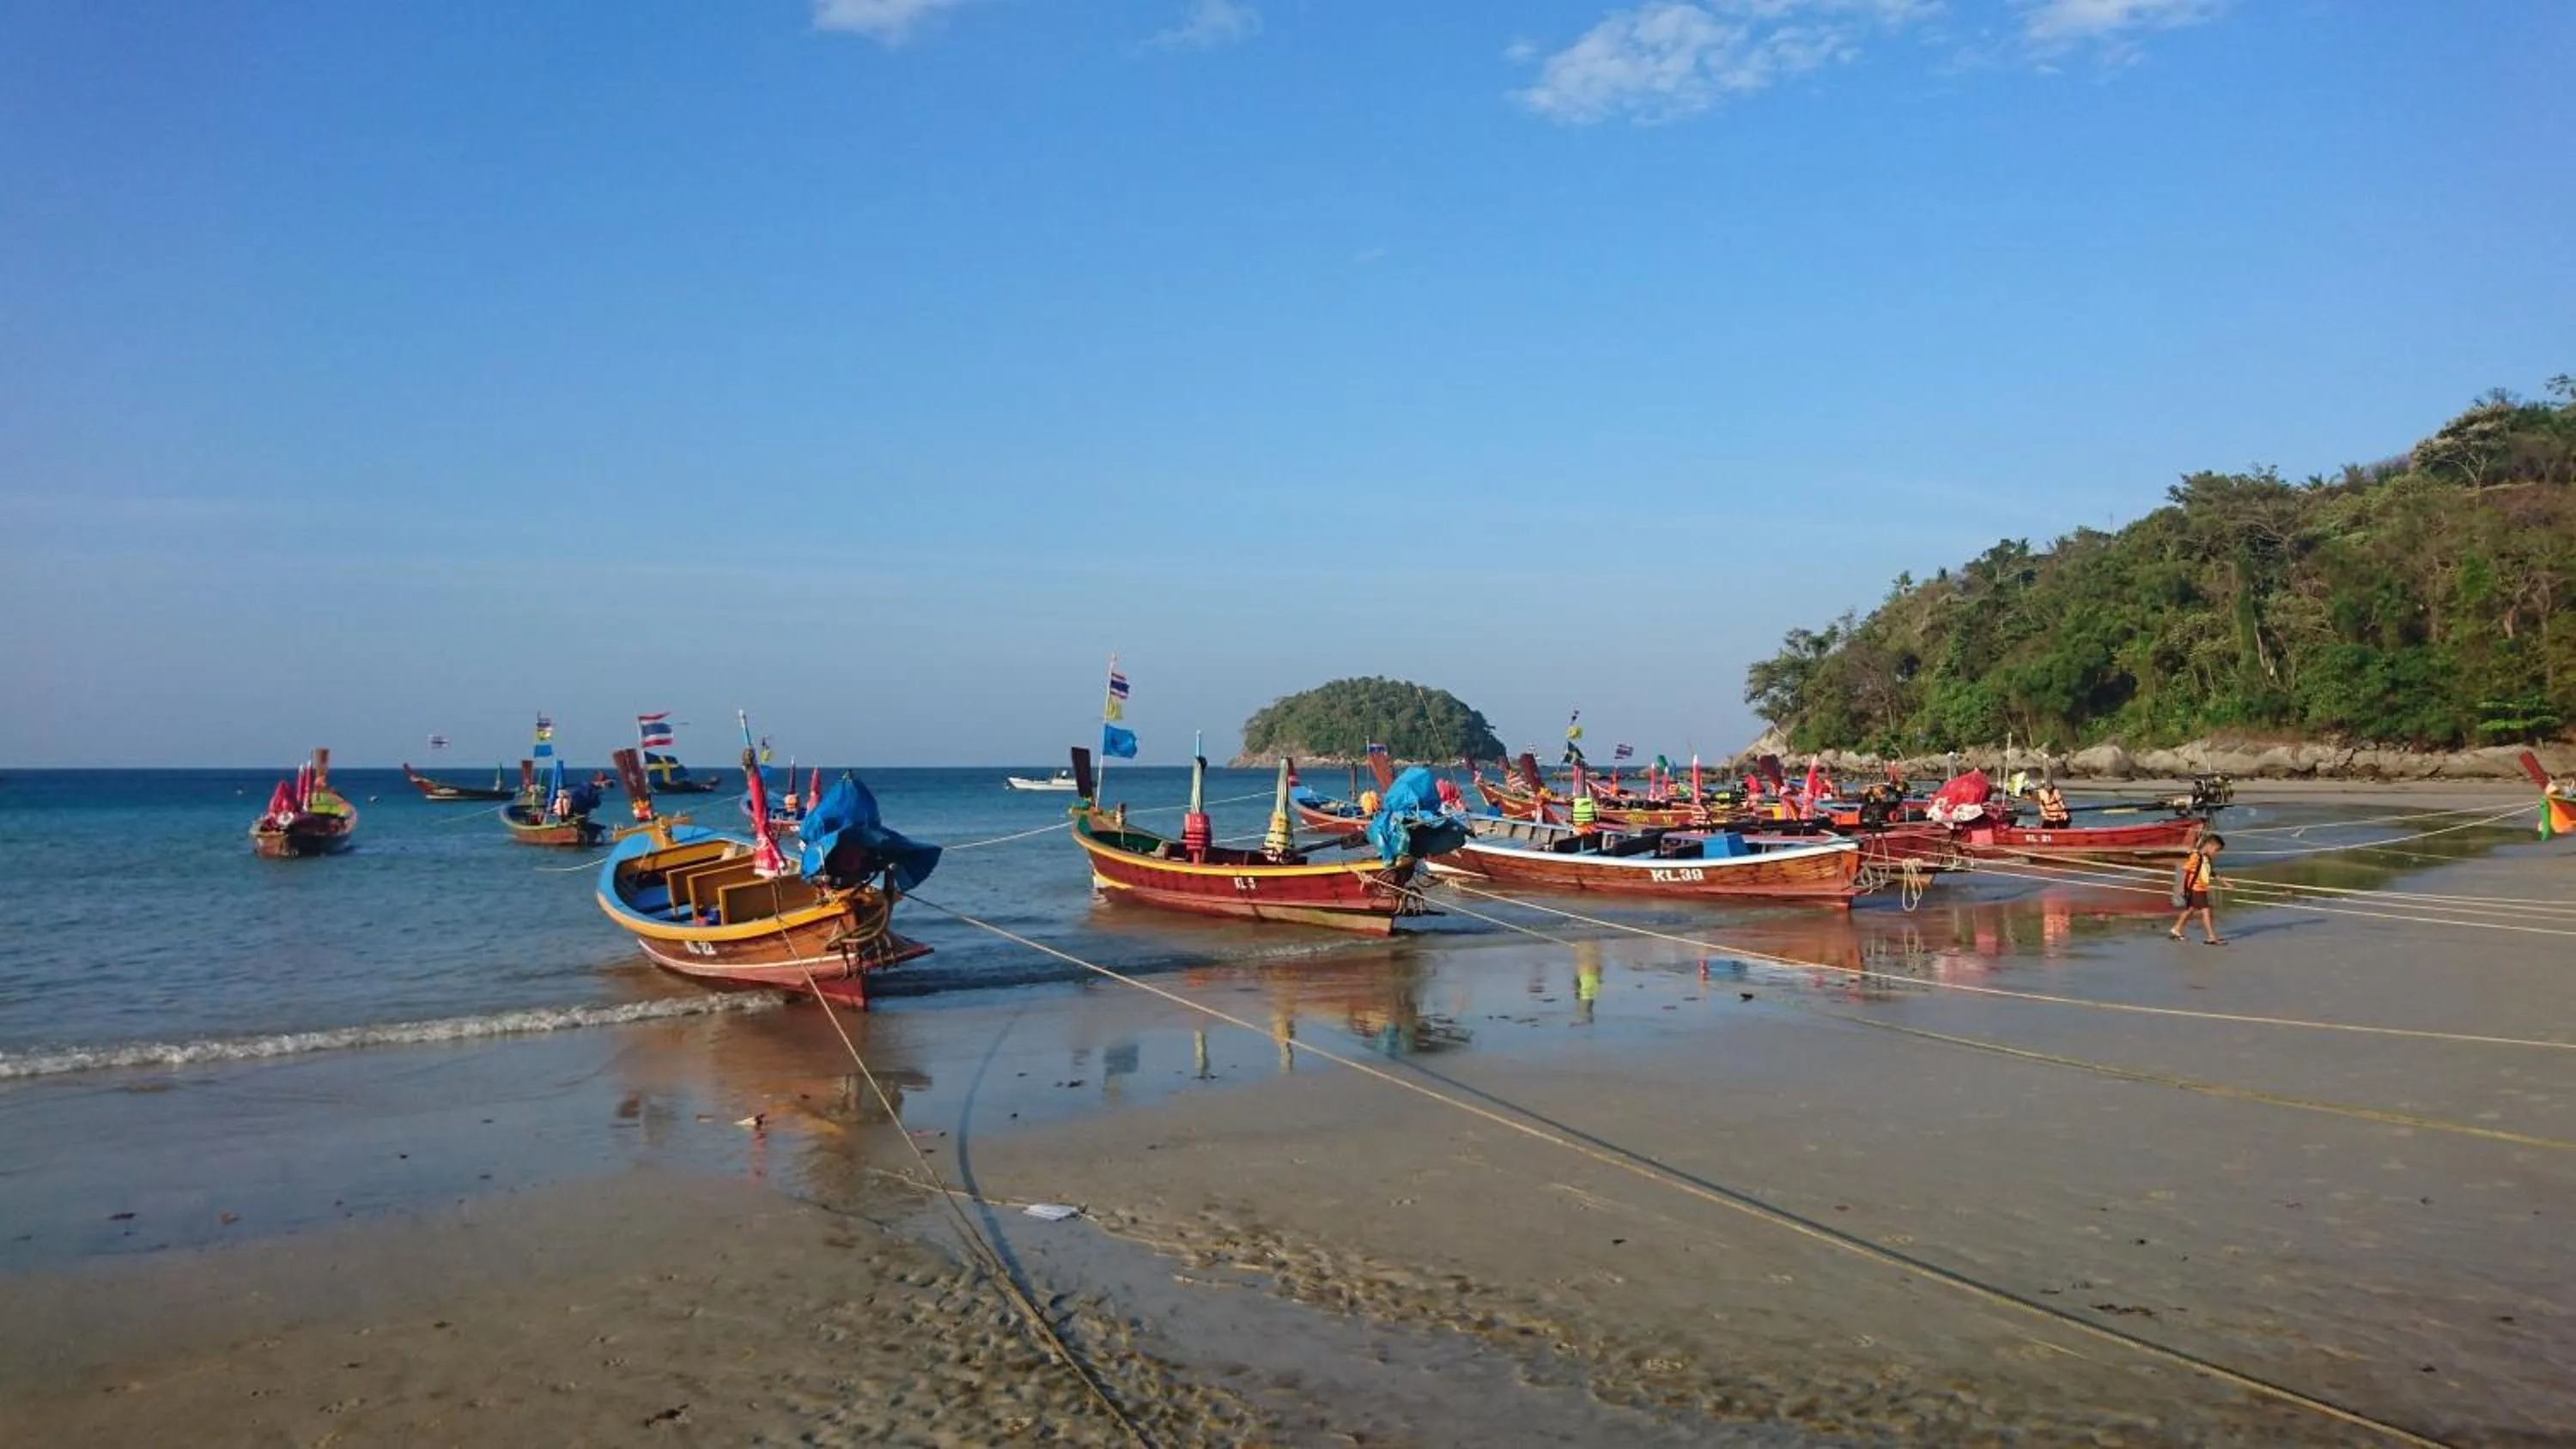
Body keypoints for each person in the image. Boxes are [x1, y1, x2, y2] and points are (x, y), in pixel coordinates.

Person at [2169, 834, 2227, 944]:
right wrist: (2181, 887)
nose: (2216, 854)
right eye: (2216, 850)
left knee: (2190, 909)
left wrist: (2223, 880)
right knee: (2206, 911)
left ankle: (2176, 929)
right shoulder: (2196, 856)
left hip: (2201, 888)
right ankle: (2211, 937)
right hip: (2195, 888)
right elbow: (2186, 870)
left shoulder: (2206, 858)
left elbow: (2210, 872)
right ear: (2209, 846)